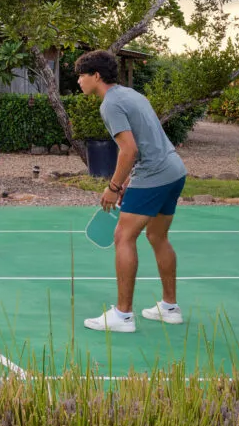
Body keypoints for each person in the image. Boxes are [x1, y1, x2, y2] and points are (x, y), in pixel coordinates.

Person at [75, 49, 186, 333]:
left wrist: (113, 187)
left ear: (96, 76)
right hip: (174, 170)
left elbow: (129, 149)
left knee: (123, 236)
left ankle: (123, 316)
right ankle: (170, 308)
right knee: (157, 236)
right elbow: (144, 141)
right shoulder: (131, 95)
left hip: (154, 174)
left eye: (82, 76)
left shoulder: (110, 104)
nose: (79, 81)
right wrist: (127, 181)